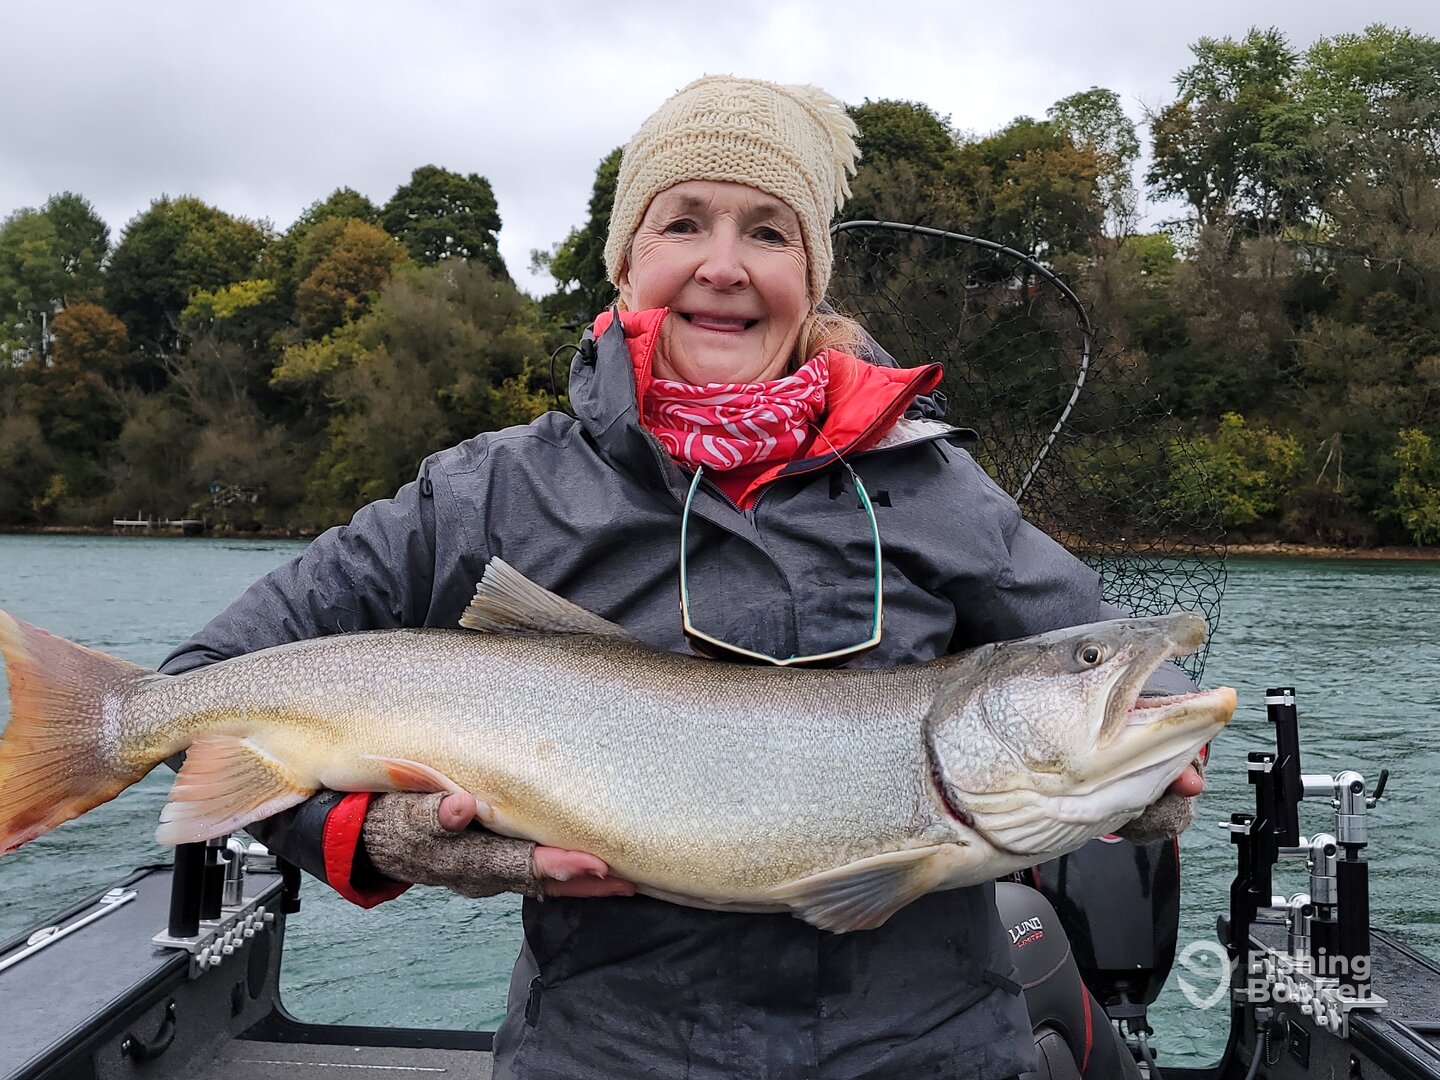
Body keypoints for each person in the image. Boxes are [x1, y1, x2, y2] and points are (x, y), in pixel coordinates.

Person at [161, 75, 1203, 1079]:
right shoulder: (489, 493)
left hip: (930, 1051)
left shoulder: (936, 486)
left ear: (812, 276)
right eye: (683, 223)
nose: (724, 264)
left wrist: (1141, 779)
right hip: (602, 1057)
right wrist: (382, 836)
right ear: (626, 262)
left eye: (769, 232)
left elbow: (1119, 664)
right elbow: (196, 690)